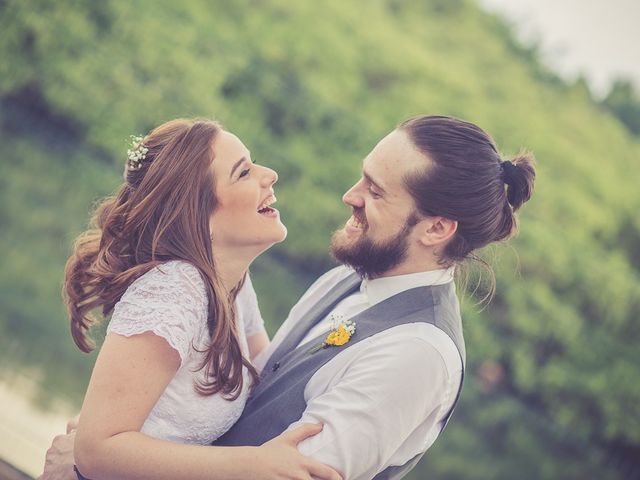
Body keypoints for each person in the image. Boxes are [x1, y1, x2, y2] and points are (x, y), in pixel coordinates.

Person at [42, 115, 535, 480]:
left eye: (376, 191)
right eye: (363, 176)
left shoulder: (416, 355)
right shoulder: (344, 279)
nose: (350, 195)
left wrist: (89, 464)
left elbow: (286, 473)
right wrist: (97, 451)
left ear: (437, 229)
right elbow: (255, 387)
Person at [55, 118, 341, 480]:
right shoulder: (173, 292)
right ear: (199, 215)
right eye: (244, 173)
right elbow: (97, 450)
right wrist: (253, 465)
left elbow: (266, 387)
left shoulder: (232, 283)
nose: (269, 175)